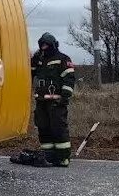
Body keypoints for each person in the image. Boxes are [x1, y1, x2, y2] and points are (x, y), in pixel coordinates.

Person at [11, 32, 76, 167]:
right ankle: (48, 156)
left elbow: (69, 80)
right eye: (42, 45)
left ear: (53, 45)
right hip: (41, 102)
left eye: (46, 45)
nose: (44, 47)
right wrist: (30, 57)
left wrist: (64, 98)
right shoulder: (39, 60)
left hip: (56, 102)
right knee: (43, 128)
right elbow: (29, 72)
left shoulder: (63, 59)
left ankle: (63, 158)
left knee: (58, 129)